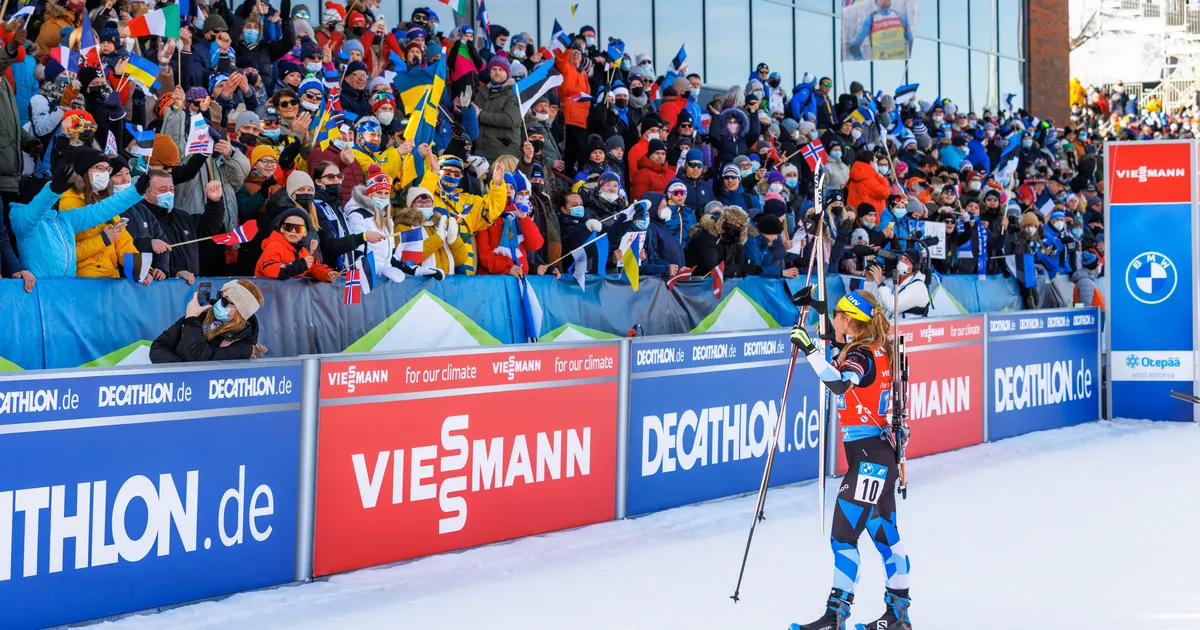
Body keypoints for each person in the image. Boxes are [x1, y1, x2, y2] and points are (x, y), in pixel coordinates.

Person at [788, 289, 912, 630]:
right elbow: (839, 348)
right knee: (887, 537)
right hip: (881, 456)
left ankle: (835, 617)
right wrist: (818, 314)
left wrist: (810, 350)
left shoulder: (859, 354)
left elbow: (842, 383)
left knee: (843, 537)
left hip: (870, 458)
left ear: (850, 320)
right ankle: (898, 616)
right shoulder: (876, 347)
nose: (835, 321)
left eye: (839, 315)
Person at [150, 280, 266, 363]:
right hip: (180, 386)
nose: (220, 302)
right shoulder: (203, 314)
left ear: (241, 312)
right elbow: (159, 346)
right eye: (220, 296)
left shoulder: (242, 345)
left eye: (226, 301)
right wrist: (178, 371)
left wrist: (191, 320)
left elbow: (200, 362)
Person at [255, 208, 340, 282]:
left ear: (305, 233)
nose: (293, 231)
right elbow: (270, 269)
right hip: (269, 297)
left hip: (288, 298)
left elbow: (313, 267)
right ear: (282, 229)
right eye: (288, 227)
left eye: (299, 228)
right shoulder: (274, 245)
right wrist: (300, 265)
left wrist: (327, 274)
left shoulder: (303, 251)